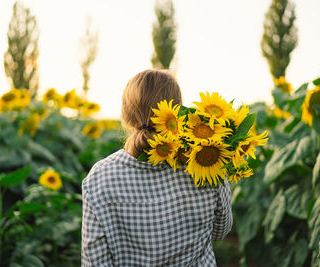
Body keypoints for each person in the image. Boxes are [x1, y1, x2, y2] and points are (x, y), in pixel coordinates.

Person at [81, 69, 232, 266]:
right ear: (177, 111)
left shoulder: (100, 177)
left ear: (125, 116)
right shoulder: (205, 164)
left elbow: (94, 261)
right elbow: (221, 231)